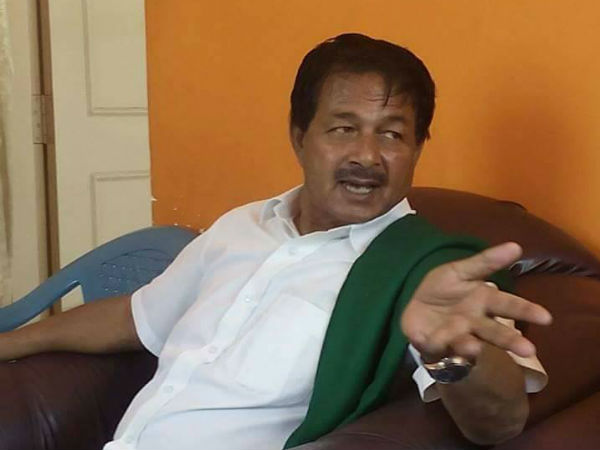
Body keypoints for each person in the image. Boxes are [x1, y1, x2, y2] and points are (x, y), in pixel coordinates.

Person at [0, 33, 551, 450]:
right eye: (343, 128)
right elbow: (133, 317)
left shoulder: (430, 272)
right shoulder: (243, 225)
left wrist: (449, 355)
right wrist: (10, 343)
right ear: (299, 137)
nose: (367, 155)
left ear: (416, 150)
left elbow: (499, 422)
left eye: (392, 134)